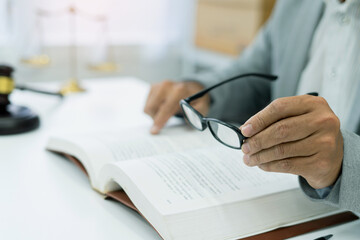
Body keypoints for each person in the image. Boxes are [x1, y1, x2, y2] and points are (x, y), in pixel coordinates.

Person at [144, 0, 360, 213]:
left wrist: (344, 162)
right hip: (282, 207)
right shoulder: (295, 4)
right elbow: (257, 75)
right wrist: (202, 91)